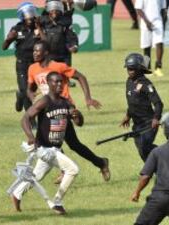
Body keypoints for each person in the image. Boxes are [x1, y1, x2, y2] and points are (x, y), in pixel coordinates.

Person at [27, 40, 110, 182]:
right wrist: (32, 97)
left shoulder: (59, 66)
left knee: (62, 142)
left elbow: (80, 77)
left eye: (37, 50)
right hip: (46, 108)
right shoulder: (32, 68)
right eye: (33, 50)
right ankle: (98, 163)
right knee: (59, 141)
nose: (34, 53)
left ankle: (96, 164)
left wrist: (88, 98)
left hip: (63, 107)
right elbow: (30, 88)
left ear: (46, 52)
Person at [10, 72, 82, 215]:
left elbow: (79, 123)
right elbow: (25, 119)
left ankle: (16, 193)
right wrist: (30, 136)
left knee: (37, 176)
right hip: (44, 149)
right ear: (48, 84)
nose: (59, 84)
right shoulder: (44, 101)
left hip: (56, 148)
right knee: (73, 169)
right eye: (55, 82)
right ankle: (57, 202)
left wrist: (77, 116)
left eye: (61, 82)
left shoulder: (66, 102)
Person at [120, 53, 163, 162]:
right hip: (137, 125)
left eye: (132, 69)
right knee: (142, 152)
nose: (129, 71)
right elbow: (132, 103)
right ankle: (157, 169)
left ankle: (165, 154)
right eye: (128, 69)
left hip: (149, 123)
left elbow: (158, 103)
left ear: (139, 69)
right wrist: (128, 115)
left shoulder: (147, 84)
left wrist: (156, 118)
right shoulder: (129, 82)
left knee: (145, 147)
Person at [2, 2, 44, 113]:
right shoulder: (17, 28)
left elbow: (46, 43)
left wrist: (39, 28)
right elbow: (4, 47)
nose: (30, 16)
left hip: (36, 64)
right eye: (27, 13)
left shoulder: (40, 27)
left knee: (32, 91)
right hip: (22, 64)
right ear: (22, 15)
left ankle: (20, 96)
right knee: (26, 91)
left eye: (32, 12)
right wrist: (8, 39)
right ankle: (31, 120)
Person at [41, 0, 79, 87]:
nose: (54, 11)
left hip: (63, 52)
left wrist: (74, 46)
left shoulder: (66, 21)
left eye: (56, 9)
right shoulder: (43, 20)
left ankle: (66, 79)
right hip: (50, 52)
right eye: (52, 9)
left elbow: (71, 35)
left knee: (65, 68)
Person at [135, 0, 167, 77]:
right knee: (146, 47)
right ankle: (147, 68)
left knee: (160, 43)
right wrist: (147, 22)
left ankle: (158, 68)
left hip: (158, 21)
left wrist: (163, 22)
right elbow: (138, 9)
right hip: (145, 22)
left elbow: (163, 9)